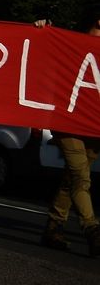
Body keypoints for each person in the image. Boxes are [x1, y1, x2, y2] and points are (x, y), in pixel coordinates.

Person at [35, 15, 100, 257]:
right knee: (81, 177)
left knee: (72, 177)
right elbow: (42, 58)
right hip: (68, 124)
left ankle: (53, 227)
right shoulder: (70, 44)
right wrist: (42, 30)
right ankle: (92, 228)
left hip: (94, 129)